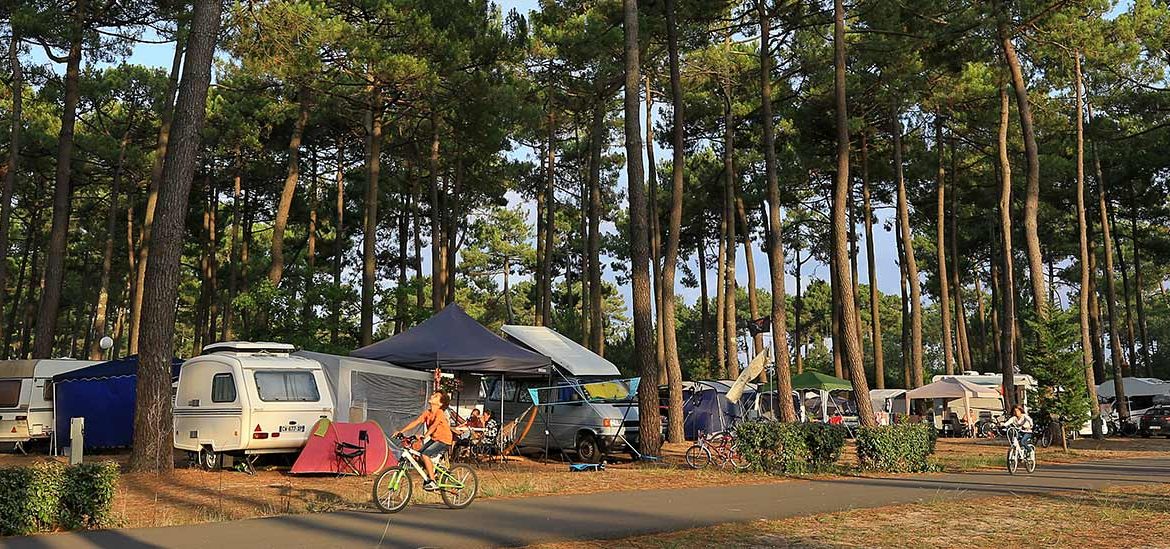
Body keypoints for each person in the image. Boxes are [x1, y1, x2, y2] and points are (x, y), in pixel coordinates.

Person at [394, 390, 454, 491]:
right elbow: (416, 422)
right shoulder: (427, 413)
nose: (432, 396)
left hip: (444, 440)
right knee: (418, 456)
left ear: (440, 403)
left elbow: (434, 426)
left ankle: (432, 481)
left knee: (425, 455)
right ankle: (433, 472)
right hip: (435, 439)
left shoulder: (439, 412)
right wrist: (401, 431)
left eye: (435, 396)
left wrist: (425, 436)